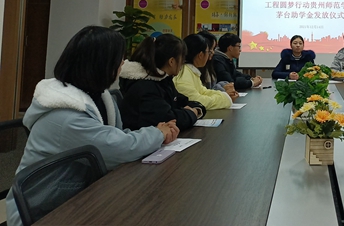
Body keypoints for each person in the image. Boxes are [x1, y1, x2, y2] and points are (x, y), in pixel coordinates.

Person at [5, 26, 179, 226]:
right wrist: (157, 134)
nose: (123, 64)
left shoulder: (99, 96)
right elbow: (117, 147)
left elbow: (116, 135)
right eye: (119, 59)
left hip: (77, 195)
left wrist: (155, 133)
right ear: (102, 64)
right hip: (43, 211)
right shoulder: (66, 116)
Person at [119, 34, 206, 131]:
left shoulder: (164, 80)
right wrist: (192, 113)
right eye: (182, 58)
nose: (183, 62)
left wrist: (197, 109)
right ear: (171, 61)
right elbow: (169, 119)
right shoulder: (145, 87)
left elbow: (183, 101)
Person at [174, 34, 239, 109]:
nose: (211, 54)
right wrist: (225, 99)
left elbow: (203, 92)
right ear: (201, 55)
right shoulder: (184, 74)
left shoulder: (190, 70)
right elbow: (196, 101)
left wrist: (225, 95)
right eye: (209, 52)